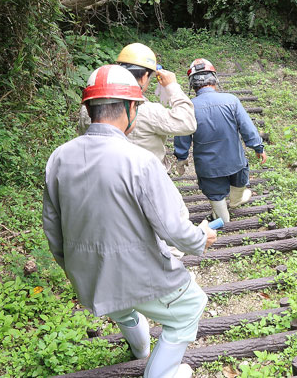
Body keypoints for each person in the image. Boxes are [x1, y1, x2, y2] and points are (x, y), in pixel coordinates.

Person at [43, 64, 216, 378]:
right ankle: (158, 373)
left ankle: (141, 349)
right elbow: (173, 229)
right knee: (191, 306)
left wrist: (74, 267)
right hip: (138, 275)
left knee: (121, 306)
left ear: (89, 107)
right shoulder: (140, 161)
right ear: (131, 107)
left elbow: (53, 232)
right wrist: (200, 238)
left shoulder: (58, 157)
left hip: (89, 277)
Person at [174, 58, 268, 223]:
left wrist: (181, 158)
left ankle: (223, 217)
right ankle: (236, 200)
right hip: (235, 161)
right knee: (240, 181)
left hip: (209, 168)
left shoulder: (188, 108)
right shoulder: (232, 101)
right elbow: (248, 128)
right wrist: (258, 147)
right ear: (214, 80)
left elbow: (182, 135)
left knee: (215, 194)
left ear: (192, 85)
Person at [78, 43, 196, 171]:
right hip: (147, 179)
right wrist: (172, 86)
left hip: (102, 175)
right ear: (144, 77)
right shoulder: (149, 112)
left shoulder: (87, 109)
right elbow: (188, 123)